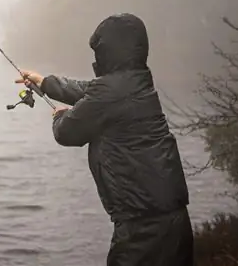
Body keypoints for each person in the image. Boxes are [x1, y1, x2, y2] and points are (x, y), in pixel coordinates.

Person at [16, 13, 194, 266]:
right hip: (170, 218)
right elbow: (92, 91)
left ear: (109, 52)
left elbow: (67, 132)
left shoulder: (112, 91)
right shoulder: (138, 80)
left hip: (143, 227)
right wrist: (46, 83)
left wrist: (60, 116)